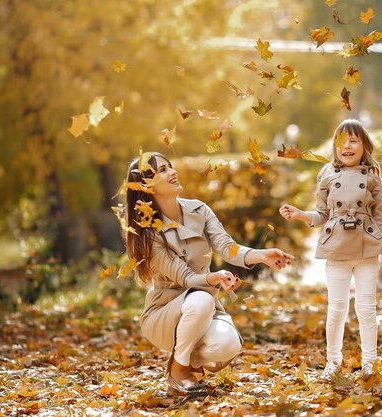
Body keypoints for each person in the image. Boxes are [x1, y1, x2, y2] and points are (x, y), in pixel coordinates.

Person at [123, 152, 295, 395]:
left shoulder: (199, 210)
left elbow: (227, 247)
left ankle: (188, 363)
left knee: (228, 343)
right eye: (162, 170)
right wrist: (214, 278)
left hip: (203, 309)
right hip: (165, 313)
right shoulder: (148, 232)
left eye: (170, 167)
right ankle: (178, 370)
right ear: (146, 186)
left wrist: (261, 255)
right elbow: (185, 278)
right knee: (201, 297)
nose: (172, 172)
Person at [279, 119, 382, 382]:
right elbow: (322, 214)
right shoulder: (326, 174)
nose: (347, 146)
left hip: (367, 250)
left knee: (367, 309)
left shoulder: (372, 179)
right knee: (336, 309)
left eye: (353, 140)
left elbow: (381, 219)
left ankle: (369, 362)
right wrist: (301, 215)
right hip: (336, 250)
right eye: (341, 141)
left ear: (363, 145)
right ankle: (333, 361)